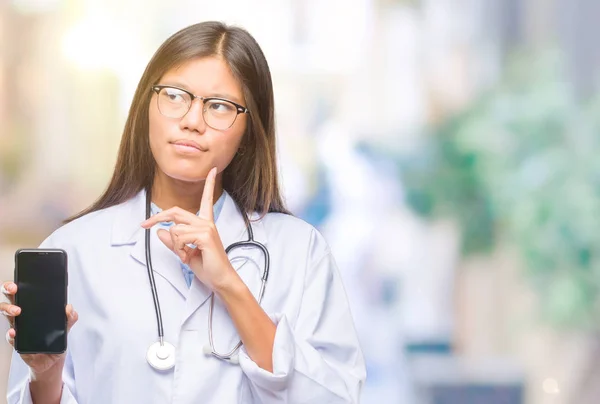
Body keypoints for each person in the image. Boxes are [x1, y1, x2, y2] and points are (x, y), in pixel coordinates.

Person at [1, 21, 366, 403]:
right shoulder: (75, 248)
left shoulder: (300, 251)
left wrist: (229, 284)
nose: (192, 121)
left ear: (248, 131)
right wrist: (46, 375)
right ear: (147, 106)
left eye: (220, 106)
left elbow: (335, 396)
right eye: (175, 96)